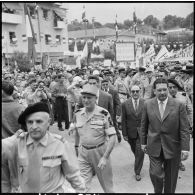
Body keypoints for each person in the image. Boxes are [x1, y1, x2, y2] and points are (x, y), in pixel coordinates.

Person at [2, 102, 86, 193]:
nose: (34, 126)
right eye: (30, 122)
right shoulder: (16, 144)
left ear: (49, 122)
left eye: (39, 121)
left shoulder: (60, 144)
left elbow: (74, 177)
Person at [140, 78, 190, 193]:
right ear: (154, 91)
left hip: (173, 146)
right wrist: (143, 142)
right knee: (155, 173)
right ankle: (158, 191)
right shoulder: (147, 104)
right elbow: (143, 125)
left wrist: (185, 148)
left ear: (168, 89)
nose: (162, 92)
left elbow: (184, 128)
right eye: (159, 90)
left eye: (164, 89)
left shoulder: (179, 105)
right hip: (154, 145)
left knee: (171, 178)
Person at [69, 84, 116, 193]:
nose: (85, 100)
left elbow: (112, 136)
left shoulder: (104, 113)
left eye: (89, 97)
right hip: (83, 153)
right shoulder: (78, 113)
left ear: (96, 98)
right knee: (82, 187)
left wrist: (105, 157)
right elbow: (77, 132)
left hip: (100, 153)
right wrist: (76, 147)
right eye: (84, 97)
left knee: (107, 187)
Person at [121, 85, 145, 181]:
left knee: (140, 151)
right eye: (133, 91)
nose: (135, 93)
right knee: (135, 150)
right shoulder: (125, 104)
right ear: (130, 92)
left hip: (142, 133)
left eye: (137, 91)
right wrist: (124, 133)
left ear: (140, 92)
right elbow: (123, 120)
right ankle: (138, 159)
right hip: (130, 132)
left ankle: (137, 172)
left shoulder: (145, 103)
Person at [101, 78, 122, 143]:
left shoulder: (113, 92)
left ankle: (118, 136)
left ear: (108, 84)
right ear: (101, 85)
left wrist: (118, 114)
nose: (105, 86)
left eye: (106, 84)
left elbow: (118, 103)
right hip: (103, 112)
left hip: (112, 112)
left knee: (114, 125)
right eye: (103, 85)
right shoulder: (100, 92)